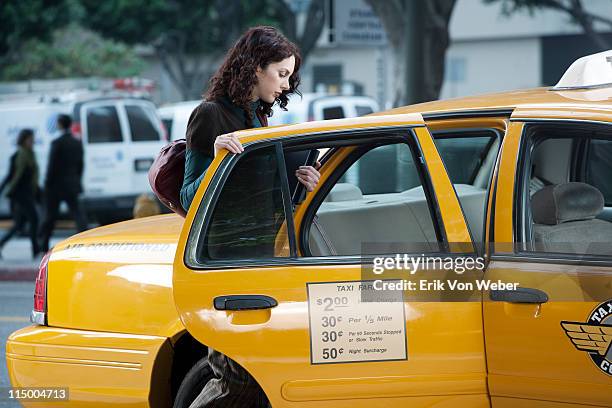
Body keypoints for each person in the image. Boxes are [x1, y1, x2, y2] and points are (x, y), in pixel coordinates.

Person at [182, 26, 319, 408]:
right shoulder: (210, 115)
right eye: (281, 74)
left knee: (254, 373)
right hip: (226, 262)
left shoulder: (258, 118)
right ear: (255, 68)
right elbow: (189, 195)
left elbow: (258, 196)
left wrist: (299, 183)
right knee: (235, 374)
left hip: (259, 259)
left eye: (290, 76)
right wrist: (216, 157)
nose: (286, 84)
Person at [39, 114, 87, 252]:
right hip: (72, 184)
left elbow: (51, 166)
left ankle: (43, 245)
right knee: (78, 215)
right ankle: (84, 242)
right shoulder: (77, 142)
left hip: (56, 186)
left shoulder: (57, 143)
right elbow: (80, 165)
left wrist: (47, 184)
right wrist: (77, 180)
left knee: (50, 216)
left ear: (60, 124)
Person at [0, 129, 41, 258]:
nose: (33, 141)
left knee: (19, 225)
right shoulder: (18, 155)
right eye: (30, 139)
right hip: (19, 194)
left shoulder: (31, 154)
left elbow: (33, 176)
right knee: (34, 219)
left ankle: (1, 243)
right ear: (24, 140)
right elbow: (12, 175)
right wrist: (2, 190)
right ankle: (36, 250)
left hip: (27, 193)